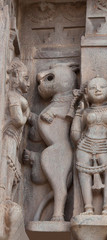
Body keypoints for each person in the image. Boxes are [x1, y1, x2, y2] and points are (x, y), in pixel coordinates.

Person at [71, 77, 107, 215]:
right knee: (84, 174)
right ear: (86, 93)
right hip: (84, 146)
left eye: (102, 87)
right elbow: (75, 136)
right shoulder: (86, 112)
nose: (98, 89)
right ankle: (88, 207)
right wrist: (77, 114)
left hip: (104, 147)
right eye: (93, 88)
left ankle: (106, 207)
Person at [0, 58, 30, 201]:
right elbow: (17, 120)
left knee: (12, 166)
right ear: (16, 76)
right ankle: (4, 197)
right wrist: (26, 114)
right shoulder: (13, 96)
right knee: (8, 164)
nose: (29, 83)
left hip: (14, 139)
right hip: (9, 137)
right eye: (26, 78)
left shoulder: (16, 96)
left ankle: (6, 197)